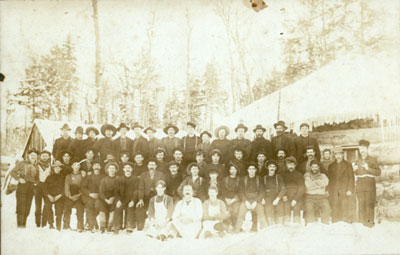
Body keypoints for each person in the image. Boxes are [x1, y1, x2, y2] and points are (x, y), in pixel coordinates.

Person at [354, 139, 381, 227]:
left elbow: (378, 172)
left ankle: (369, 225)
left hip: (369, 185)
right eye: (360, 148)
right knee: (361, 205)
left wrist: (368, 168)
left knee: (369, 205)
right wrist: (353, 170)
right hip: (360, 185)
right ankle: (362, 226)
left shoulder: (373, 160)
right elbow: (356, 174)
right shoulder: (357, 161)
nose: (362, 151)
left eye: (364, 148)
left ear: (367, 149)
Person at [235, 163, 267, 233]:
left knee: (262, 216)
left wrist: (255, 201)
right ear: (247, 170)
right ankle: (236, 232)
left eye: (253, 169)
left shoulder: (259, 179)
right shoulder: (243, 179)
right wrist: (246, 201)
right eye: (250, 169)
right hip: (246, 200)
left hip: (256, 200)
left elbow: (262, 192)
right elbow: (241, 192)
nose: (251, 171)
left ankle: (265, 232)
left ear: (255, 170)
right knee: (240, 215)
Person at [10, 149, 38, 228]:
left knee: (28, 206)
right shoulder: (22, 163)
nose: (33, 156)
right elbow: (12, 172)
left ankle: (24, 224)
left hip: (31, 187)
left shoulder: (36, 165)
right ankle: (20, 225)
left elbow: (37, 177)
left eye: (35, 155)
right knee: (21, 206)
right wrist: (19, 179)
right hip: (22, 186)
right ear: (28, 156)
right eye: (31, 155)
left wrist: (36, 182)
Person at [327, 147, 355, 223]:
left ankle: (345, 225)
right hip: (334, 191)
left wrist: (349, 189)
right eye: (336, 154)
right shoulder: (331, 166)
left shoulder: (348, 165)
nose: (338, 156)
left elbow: (351, 178)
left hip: (344, 190)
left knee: (344, 207)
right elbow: (329, 180)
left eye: (340, 154)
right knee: (335, 208)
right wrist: (328, 191)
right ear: (334, 155)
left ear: (342, 155)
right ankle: (335, 225)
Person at [136, 159, 166, 230]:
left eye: (153, 165)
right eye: (150, 165)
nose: (151, 166)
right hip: (146, 196)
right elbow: (141, 187)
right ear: (147, 166)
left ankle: (157, 225)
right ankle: (140, 225)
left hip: (157, 195)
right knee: (140, 207)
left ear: (156, 166)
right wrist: (140, 199)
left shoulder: (161, 174)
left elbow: (162, 187)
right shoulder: (143, 175)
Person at [114, 162, 140, 233]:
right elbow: (116, 191)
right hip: (122, 200)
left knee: (130, 208)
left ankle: (129, 225)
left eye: (129, 168)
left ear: (131, 169)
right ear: (123, 169)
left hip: (131, 199)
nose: (127, 169)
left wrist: (133, 201)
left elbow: (136, 191)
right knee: (118, 207)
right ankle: (117, 226)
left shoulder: (135, 179)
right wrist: (118, 200)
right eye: (126, 168)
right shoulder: (119, 179)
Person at [304, 160, 331, 225]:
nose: (314, 169)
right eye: (313, 167)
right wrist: (319, 185)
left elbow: (325, 183)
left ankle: (325, 226)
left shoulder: (323, 175)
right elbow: (308, 185)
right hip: (310, 198)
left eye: (316, 167)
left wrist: (314, 182)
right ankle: (311, 227)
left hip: (322, 197)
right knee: (309, 209)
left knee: (327, 209)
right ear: (310, 167)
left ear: (318, 167)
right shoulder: (307, 175)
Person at [80, 159, 103, 232]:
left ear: (101, 167)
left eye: (98, 165)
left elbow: (106, 188)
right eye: (95, 165)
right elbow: (82, 187)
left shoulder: (103, 177)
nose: (96, 167)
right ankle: (92, 225)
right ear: (92, 167)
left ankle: (89, 222)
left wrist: (99, 195)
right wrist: (90, 194)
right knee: (89, 204)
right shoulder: (88, 177)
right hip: (89, 196)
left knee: (97, 205)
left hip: (99, 196)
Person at [280, 156, 305, 224]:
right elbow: (282, 186)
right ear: (286, 165)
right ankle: (286, 227)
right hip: (287, 197)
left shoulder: (299, 175)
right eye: (288, 164)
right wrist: (283, 196)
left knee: (296, 209)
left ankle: (297, 228)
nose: (290, 166)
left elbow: (301, 189)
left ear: (295, 165)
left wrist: (295, 199)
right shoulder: (283, 175)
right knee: (286, 210)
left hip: (297, 197)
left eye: (292, 164)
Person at [262, 160, 286, 225]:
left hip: (277, 196)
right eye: (270, 167)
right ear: (268, 168)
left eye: (273, 167)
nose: (272, 168)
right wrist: (263, 198)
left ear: (275, 168)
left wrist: (278, 199)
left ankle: (279, 226)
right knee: (268, 210)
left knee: (280, 209)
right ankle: (270, 226)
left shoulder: (279, 177)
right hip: (268, 197)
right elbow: (262, 190)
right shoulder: (264, 178)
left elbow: (283, 189)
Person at [43, 160, 64, 230]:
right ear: (53, 168)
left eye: (59, 168)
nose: (57, 169)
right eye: (56, 167)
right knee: (47, 206)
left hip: (59, 196)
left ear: (61, 169)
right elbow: (45, 188)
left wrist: (60, 195)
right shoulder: (49, 177)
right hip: (50, 196)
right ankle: (51, 224)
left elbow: (65, 188)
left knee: (59, 209)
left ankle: (58, 225)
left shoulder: (63, 177)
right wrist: (49, 195)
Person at [63, 161, 85, 231]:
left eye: (78, 165)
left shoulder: (82, 176)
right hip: (70, 195)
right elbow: (66, 187)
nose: (76, 167)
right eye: (74, 165)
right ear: (72, 166)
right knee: (67, 207)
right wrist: (69, 196)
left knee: (80, 208)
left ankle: (80, 226)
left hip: (79, 195)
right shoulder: (68, 176)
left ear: (80, 167)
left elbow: (84, 187)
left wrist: (78, 195)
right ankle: (66, 225)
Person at [35, 149, 52, 228]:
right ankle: (38, 223)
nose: (44, 157)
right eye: (43, 156)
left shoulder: (50, 166)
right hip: (38, 186)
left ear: (48, 157)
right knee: (38, 206)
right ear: (40, 157)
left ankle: (44, 223)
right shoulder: (36, 165)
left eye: (46, 156)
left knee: (46, 205)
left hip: (47, 187)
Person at [220, 163, 241, 228]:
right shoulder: (225, 179)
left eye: (235, 169)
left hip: (235, 199)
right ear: (229, 170)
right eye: (231, 169)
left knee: (235, 211)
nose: (233, 170)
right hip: (226, 199)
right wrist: (226, 199)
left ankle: (235, 226)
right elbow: (222, 190)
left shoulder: (240, 180)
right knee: (226, 211)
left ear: (236, 171)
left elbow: (240, 191)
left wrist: (234, 199)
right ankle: (225, 226)